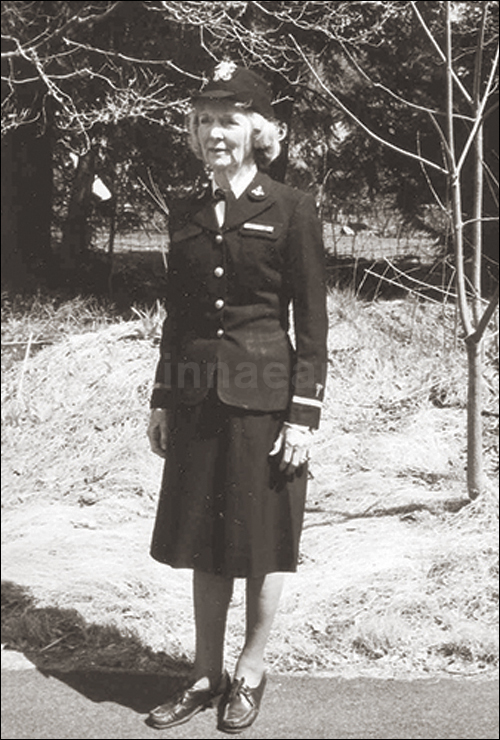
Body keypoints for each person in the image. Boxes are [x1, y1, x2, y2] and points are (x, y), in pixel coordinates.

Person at [146, 60, 328, 734]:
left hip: (265, 402)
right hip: (198, 399)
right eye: (202, 122)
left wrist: (303, 416)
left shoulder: (292, 208)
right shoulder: (186, 208)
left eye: (226, 121)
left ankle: (249, 672)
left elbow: (311, 324)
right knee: (202, 539)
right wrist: (164, 398)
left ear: (258, 130)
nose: (212, 133)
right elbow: (178, 313)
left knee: (261, 542)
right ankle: (204, 673)